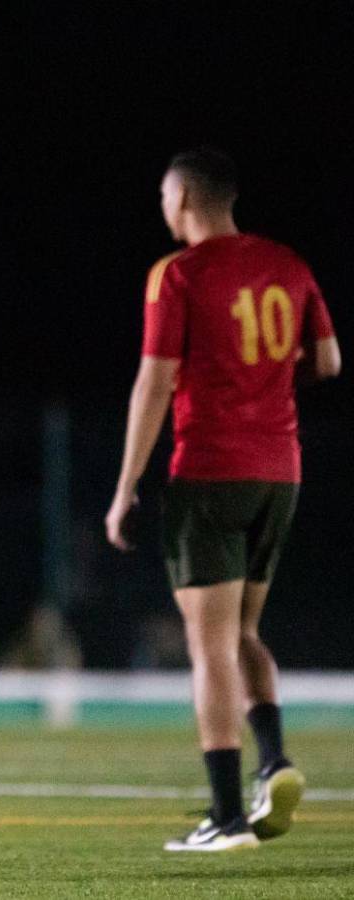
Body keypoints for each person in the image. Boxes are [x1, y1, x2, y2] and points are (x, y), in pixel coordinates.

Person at [105, 148, 341, 852]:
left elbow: (154, 382)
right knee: (243, 634)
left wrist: (124, 489)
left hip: (210, 472)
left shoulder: (177, 273)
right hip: (281, 472)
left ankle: (228, 816)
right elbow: (327, 361)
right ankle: (274, 762)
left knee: (208, 648)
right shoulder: (290, 264)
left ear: (182, 200)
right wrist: (263, 371)